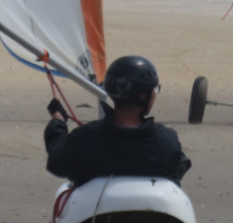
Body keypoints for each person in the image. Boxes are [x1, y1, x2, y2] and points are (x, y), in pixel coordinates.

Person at [44, 55, 191, 186]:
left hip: (97, 216)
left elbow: (56, 163)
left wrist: (58, 121)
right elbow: (177, 169)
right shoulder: (166, 141)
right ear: (143, 96)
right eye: (154, 90)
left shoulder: (84, 138)